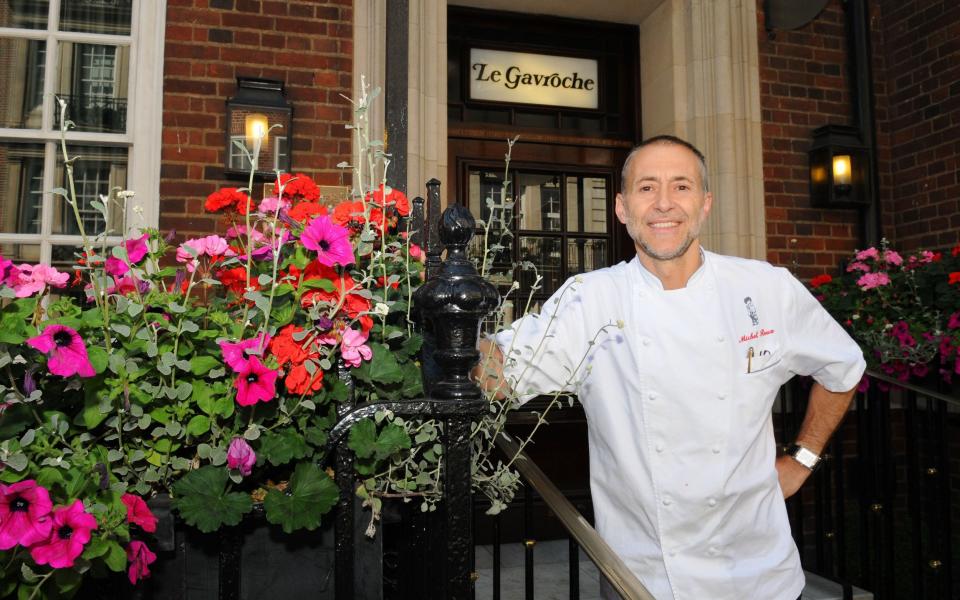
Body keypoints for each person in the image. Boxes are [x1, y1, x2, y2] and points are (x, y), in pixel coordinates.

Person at [476, 135, 865, 600]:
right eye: (646, 188)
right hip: (642, 578)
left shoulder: (765, 288)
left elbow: (843, 368)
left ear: (705, 204)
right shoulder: (590, 298)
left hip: (763, 575)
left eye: (681, 187)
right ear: (621, 208)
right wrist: (433, 322)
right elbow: (498, 378)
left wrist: (802, 458)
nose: (664, 204)